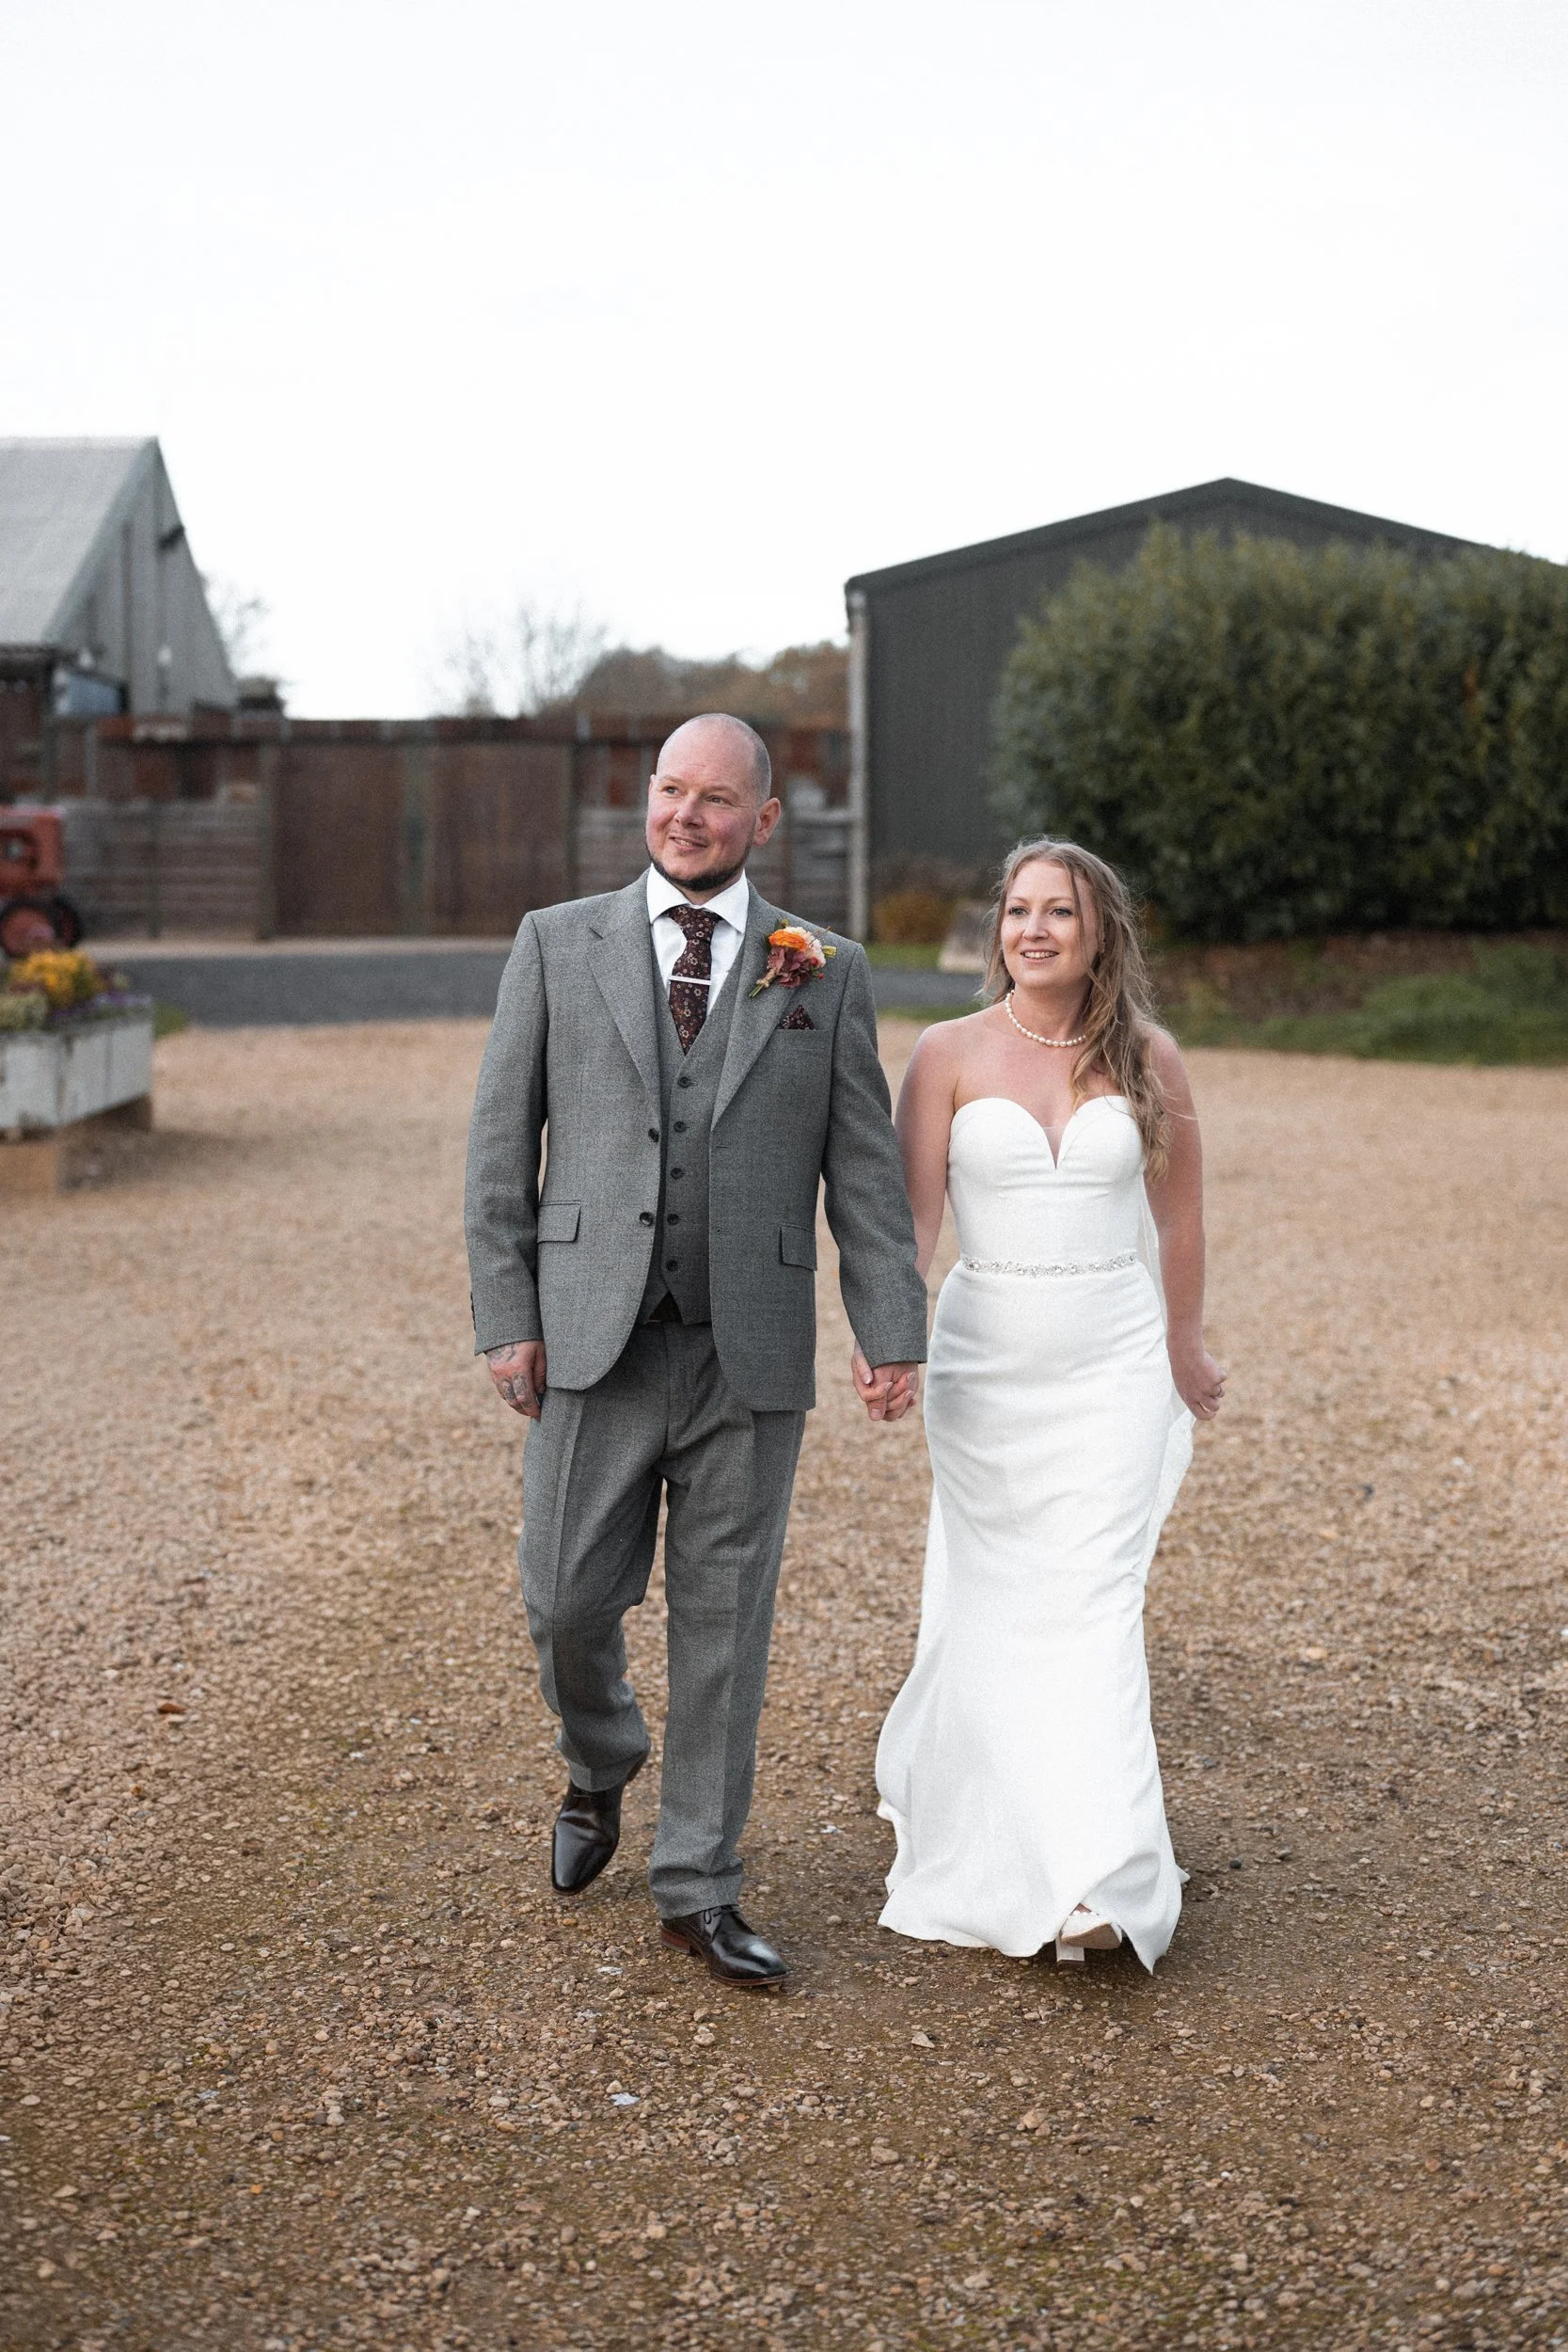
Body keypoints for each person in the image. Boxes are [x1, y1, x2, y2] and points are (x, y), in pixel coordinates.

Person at [466, 713, 927, 1987]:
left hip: (749, 1351)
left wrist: (891, 1330)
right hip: (590, 1343)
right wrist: (506, 1312)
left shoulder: (820, 969)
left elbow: (864, 1174)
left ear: (761, 821)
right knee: (563, 1599)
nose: (688, 814)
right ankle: (598, 1757)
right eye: (672, 788)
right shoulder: (555, 945)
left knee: (725, 1624)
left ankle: (697, 1884)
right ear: (648, 798)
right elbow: (500, 1144)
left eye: (718, 798)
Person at [874, 838, 1224, 1970]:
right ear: (998, 932)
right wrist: (895, 1345)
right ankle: (997, 1828)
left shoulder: (1150, 1057)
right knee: (998, 1599)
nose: (1033, 929)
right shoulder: (943, 1053)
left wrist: (1181, 1344)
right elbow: (911, 1224)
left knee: (1093, 1600)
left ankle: (1104, 1872)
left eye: (1057, 913)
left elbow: (1176, 1220)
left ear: (1096, 931)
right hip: (987, 1371)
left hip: (1114, 1362)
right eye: (1017, 911)